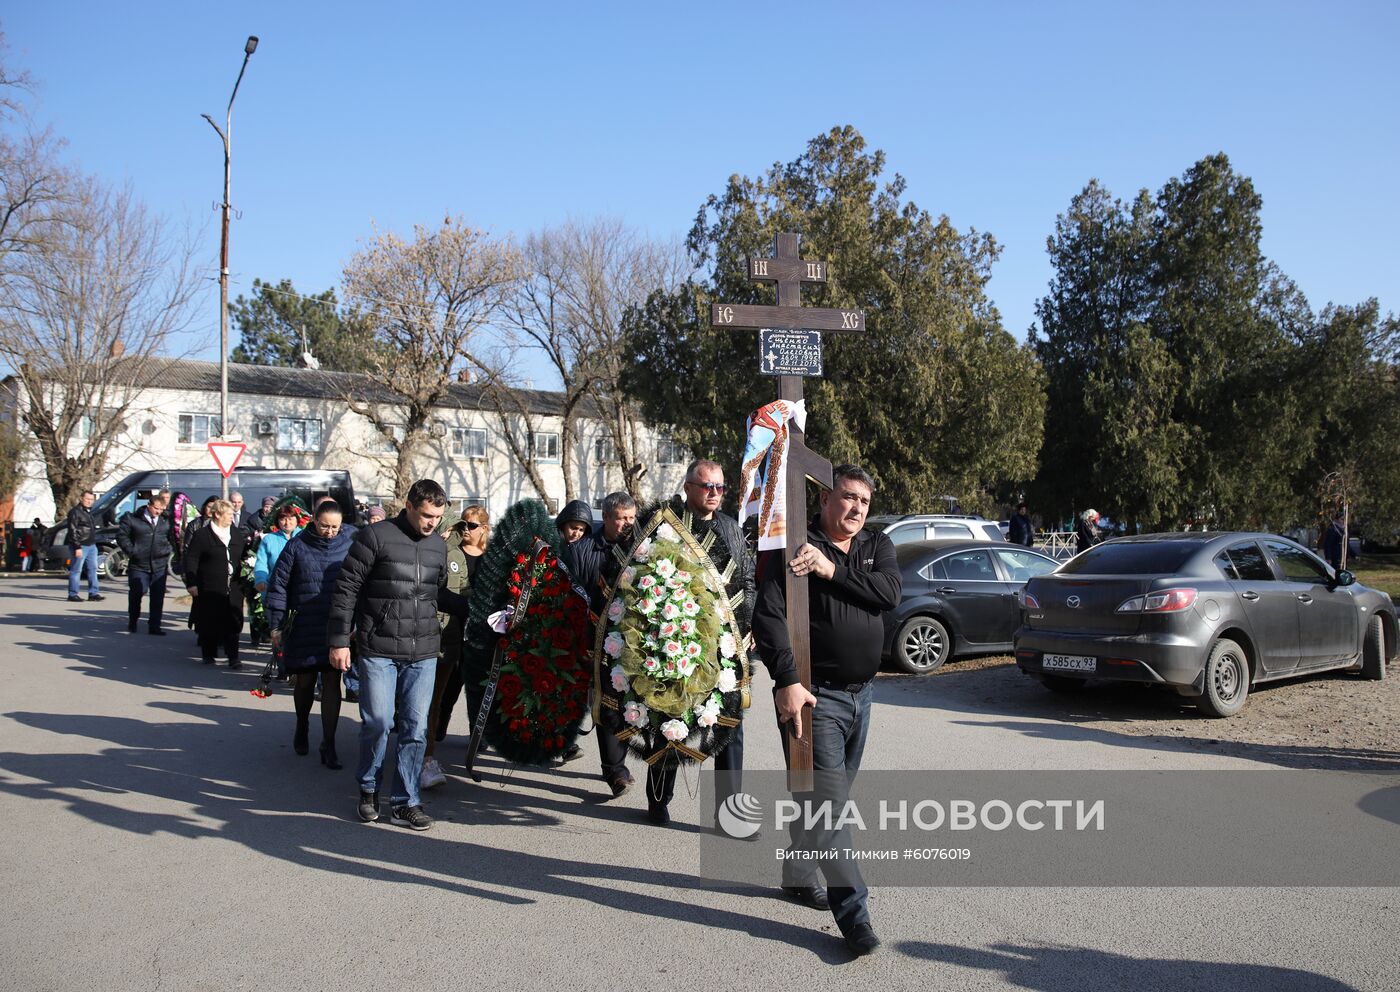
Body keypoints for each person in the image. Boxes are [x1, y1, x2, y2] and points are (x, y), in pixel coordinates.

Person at [752, 464, 900, 957]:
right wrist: (788, 680)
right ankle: (855, 916)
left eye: (864, 501)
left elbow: (888, 594)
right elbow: (769, 614)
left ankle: (797, 872)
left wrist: (830, 569)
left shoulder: (875, 546)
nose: (856, 508)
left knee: (823, 802)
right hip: (818, 698)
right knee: (831, 808)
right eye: (847, 497)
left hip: (864, 696)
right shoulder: (796, 545)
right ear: (824, 500)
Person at [326, 479, 470, 831]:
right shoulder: (375, 537)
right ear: (408, 506)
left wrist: (477, 607)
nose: (431, 523)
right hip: (379, 649)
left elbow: (436, 594)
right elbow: (347, 588)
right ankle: (368, 788)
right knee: (378, 722)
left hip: (422, 651)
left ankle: (406, 802)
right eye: (425, 515)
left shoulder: (438, 545)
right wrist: (339, 640)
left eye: (437, 516)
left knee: (416, 729)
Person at [644, 459, 755, 826]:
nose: (714, 493)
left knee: (729, 727)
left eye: (720, 487)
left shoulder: (731, 529)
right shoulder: (666, 525)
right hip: (677, 641)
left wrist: (746, 626)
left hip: (723, 646)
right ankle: (659, 799)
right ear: (688, 486)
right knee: (668, 724)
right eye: (707, 486)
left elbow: (747, 580)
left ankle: (729, 813)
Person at [266, 500, 354, 767]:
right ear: (314, 520)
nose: (330, 531)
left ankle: (329, 743)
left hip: (335, 624)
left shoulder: (351, 543)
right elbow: (278, 585)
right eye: (325, 525)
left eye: (335, 527)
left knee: (331, 682)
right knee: (304, 682)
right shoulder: (297, 546)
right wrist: (276, 624)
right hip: (304, 623)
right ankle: (302, 725)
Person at [562, 491, 638, 797]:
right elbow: (570, 593)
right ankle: (615, 772)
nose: (626, 524)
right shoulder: (581, 550)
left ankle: (618, 765)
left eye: (631, 518)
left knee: (624, 705)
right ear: (605, 518)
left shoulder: (640, 548)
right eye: (620, 518)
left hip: (632, 642)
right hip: (592, 640)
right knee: (605, 705)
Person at [421, 505, 490, 790]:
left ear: (484, 528)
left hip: (472, 635)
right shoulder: (449, 553)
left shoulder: (490, 557)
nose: (464, 532)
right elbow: (445, 593)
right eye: (461, 526)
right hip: (443, 633)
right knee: (439, 695)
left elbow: (467, 591)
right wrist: (472, 606)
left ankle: (476, 735)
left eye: (471, 526)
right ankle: (427, 747)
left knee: (476, 687)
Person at [182, 498, 250, 669]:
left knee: (234, 621)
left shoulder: (235, 533)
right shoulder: (202, 535)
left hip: (234, 586)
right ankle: (208, 653)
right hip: (209, 586)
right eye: (228, 514)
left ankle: (233, 656)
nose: (232, 518)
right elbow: (192, 560)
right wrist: (191, 583)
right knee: (209, 621)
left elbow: (244, 555)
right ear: (218, 514)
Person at [117, 490, 174, 636]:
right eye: (156, 509)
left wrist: (168, 549)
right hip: (139, 564)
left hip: (159, 563)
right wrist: (132, 551)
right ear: (149, 505)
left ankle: (154, 625)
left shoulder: (166, 520)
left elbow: (173, 536)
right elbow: (122, 536)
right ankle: (133, 620)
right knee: (137, 593)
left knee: (157, 597)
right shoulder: (132, 518)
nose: (158, 512)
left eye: (161, 509)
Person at [65, 490, 101, 602]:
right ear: (81, 499)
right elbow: (72, 530)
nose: (89, 502)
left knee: (93, 569)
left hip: (91, 545)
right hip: (81, 546)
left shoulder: (88, 512)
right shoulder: (75, 512)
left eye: (91, 500)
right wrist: (77, 547)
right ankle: (73, 594)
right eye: (87, 499)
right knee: (76, 570)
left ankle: (93, 593)